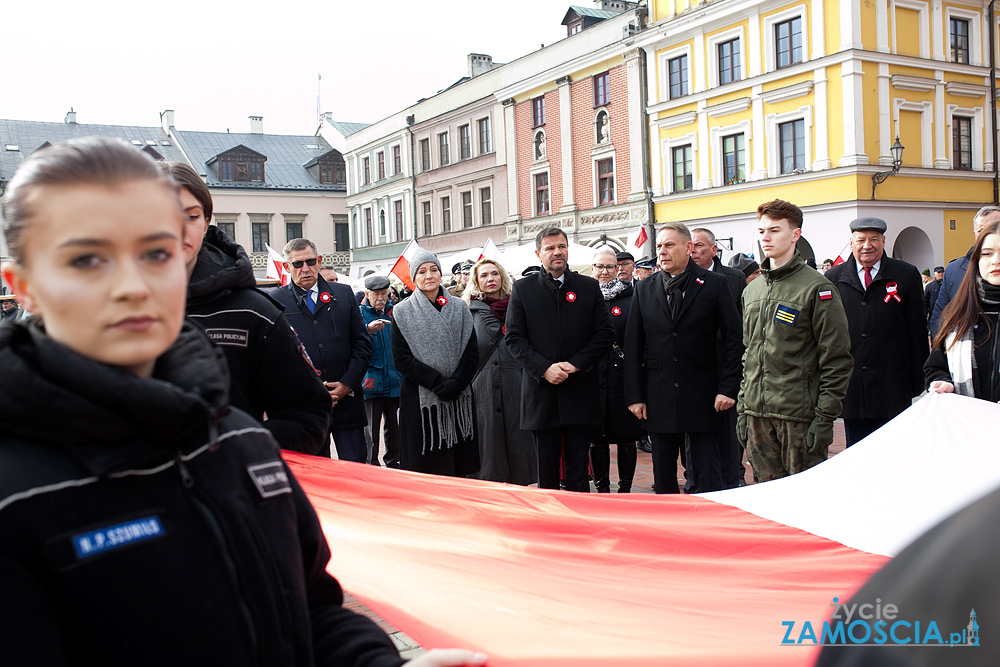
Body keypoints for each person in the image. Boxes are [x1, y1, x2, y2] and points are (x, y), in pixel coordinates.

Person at [0, 137, 485, 667]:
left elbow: (313, 612)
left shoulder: (243, 440)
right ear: (21, 285)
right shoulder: (17, 490)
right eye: (88, 259)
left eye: (155, 253)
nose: (133, 285)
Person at [162, 161, 331, 455]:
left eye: (190, 215)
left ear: (206, 221)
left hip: (221, 492)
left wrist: (226, 446)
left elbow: (307, 418)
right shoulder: (101, 309)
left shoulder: (252, 312)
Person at [738, 199, 853, 481]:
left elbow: (836, 359)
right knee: (765, 503)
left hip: (799, 418)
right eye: (762, 230)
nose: (766, 237)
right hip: (758, 417)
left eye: (775, 230)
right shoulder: (752, 290)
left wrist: (825, 418)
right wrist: (744, 408)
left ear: (795, 235)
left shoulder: (817, 288)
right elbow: (749, 353)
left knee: (806, 502)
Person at [624, 224, 742, 494]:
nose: (662, 252)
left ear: (689, 248)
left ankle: (705, 526)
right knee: (663, 476)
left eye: (669, 245)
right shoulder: (645, 288)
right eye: (659, 247)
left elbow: (734, 340)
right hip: (658, 394)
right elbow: (634, 345)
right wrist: (635, 395)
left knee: (706, 475)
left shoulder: (715, 284)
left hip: (704, 395)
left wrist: (728, 388)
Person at [506, 227, 615, 492]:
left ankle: (579, 524)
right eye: (550, 248)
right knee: (547, 473)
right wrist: (543, 369)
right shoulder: (523, 289)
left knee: (579, 472)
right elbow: (514, 339)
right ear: (538, 253)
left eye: (562, 246)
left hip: (579, 391)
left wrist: (576, 363)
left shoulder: (588, 286)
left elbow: (604, 334)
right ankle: (550, 525)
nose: (558, 252)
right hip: (542, 394)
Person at [824, 217, 928, 446]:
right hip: (852, 386)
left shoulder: (906, 274)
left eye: (873, 239)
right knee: (857, 454)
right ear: (851, 243)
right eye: (860, 240)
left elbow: (917, 330)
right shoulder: (833, 279)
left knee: (894, 451)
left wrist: (919, 378)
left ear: (883, 241)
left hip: (893, 384)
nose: (867, 245)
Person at [272, 238, 372, 462]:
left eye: (309, 261)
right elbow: (276, 358)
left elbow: (362, 343)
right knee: (316, 476)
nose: (305, 269)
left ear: (319, 261)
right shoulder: (276, 301)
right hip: (306, 409)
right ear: (288, 267)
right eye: (298, 264)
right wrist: (309, 391)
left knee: (356, 473)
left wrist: (348, 384)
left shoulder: (344, 294)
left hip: (347, 402)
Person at [391, 250, 480, 477]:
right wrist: (437, 382)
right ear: (414, 278)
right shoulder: (402, 311)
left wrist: (457, 382)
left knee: (458, 469)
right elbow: (402, 359)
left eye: (433, 270)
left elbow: (471, 353)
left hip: (458, 395)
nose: (428, 275)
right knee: (426, 469)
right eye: (422, 271)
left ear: (441, 274)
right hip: (421, 399)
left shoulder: (460, 307)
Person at [463, 258, 536, 485]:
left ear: (502, 277)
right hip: (482, 388)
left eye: (494, 274)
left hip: (518, 383)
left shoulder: (519, 306)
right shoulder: (467, 311)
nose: (490, 279)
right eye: (483, 275)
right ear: (476, 281)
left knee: (520, 443)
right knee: (488, 446)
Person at [690, 227, 748, 488]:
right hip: (693, 372)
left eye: (699, 246)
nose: (693, 251)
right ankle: (696, 482)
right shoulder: (679, 277)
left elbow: (738, 330)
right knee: (695, 440)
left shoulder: (733, 279)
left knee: (728, 436)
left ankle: (733, 479)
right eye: (689, 245)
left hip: (726, 370)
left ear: (714, 250)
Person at [925, 219, 1000, 402]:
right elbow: (935, 368)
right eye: (987, 253)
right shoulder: (957, 314)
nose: (995, 261)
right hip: (969, 424)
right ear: (977, 260)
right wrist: (943, 382)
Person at [588, 247, 641, 493]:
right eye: (600, 266)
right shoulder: (585, 297)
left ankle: (625, 488)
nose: (605, 271)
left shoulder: (633, 297)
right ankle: (602, 488)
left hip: (623, 375)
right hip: (592, 375)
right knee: (597, 437)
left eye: (610, 266)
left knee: (627, 435)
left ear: (618, 269)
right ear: (592, 269)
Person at [930, 205, 1000, 335]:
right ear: (974, 234)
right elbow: (939, 318)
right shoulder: (954, 270)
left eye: (994, 228)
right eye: (982, 230)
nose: (988, 235)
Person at [360, 275, 402, 468]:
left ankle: (393, 462)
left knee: (394, 427)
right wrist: (367, 330)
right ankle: (371, 465)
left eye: (384, 294)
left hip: (395, 380)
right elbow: (353, 344)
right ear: (367, 294)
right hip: (372, 381)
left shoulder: (395, 312)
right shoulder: (359, 314)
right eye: (376, 294)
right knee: (371, 429)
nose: (381, 298)